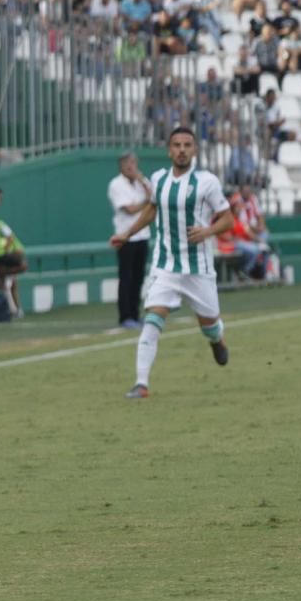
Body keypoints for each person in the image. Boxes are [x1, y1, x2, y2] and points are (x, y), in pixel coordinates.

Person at [110, 128, 234, 399]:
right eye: (176, 145)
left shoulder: (207, 182)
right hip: (165, 265)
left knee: (209, 322)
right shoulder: (159, 179)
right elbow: (152, 209)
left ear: (194, 150)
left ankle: (216, 338)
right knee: (153, 317)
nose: (181, 150)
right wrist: (127, 234)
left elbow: (228, 219)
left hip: (198, 268)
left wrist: (208, 231)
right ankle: (141, 384)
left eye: (187, 145)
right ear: (169, 150)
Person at [108, 152, 152, 329]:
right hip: (125, 237)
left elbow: (153, 197)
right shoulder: (116, 185)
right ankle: (125, 316)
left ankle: (135, 314)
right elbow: (129, 209)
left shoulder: (142, 182)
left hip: (143, 235)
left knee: (139, 277)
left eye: (133, 163)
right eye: (127, 164)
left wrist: (141, 180)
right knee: (126, 277)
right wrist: (146, 203)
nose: (131, 167)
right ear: (121, 167)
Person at [0, 187, 26, 316]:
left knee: (10, 283)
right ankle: (12, 310)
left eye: (0, 198)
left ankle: (15, 310)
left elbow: (10, 238)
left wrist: (5, 250)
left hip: (6, 256)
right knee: (7, 284)